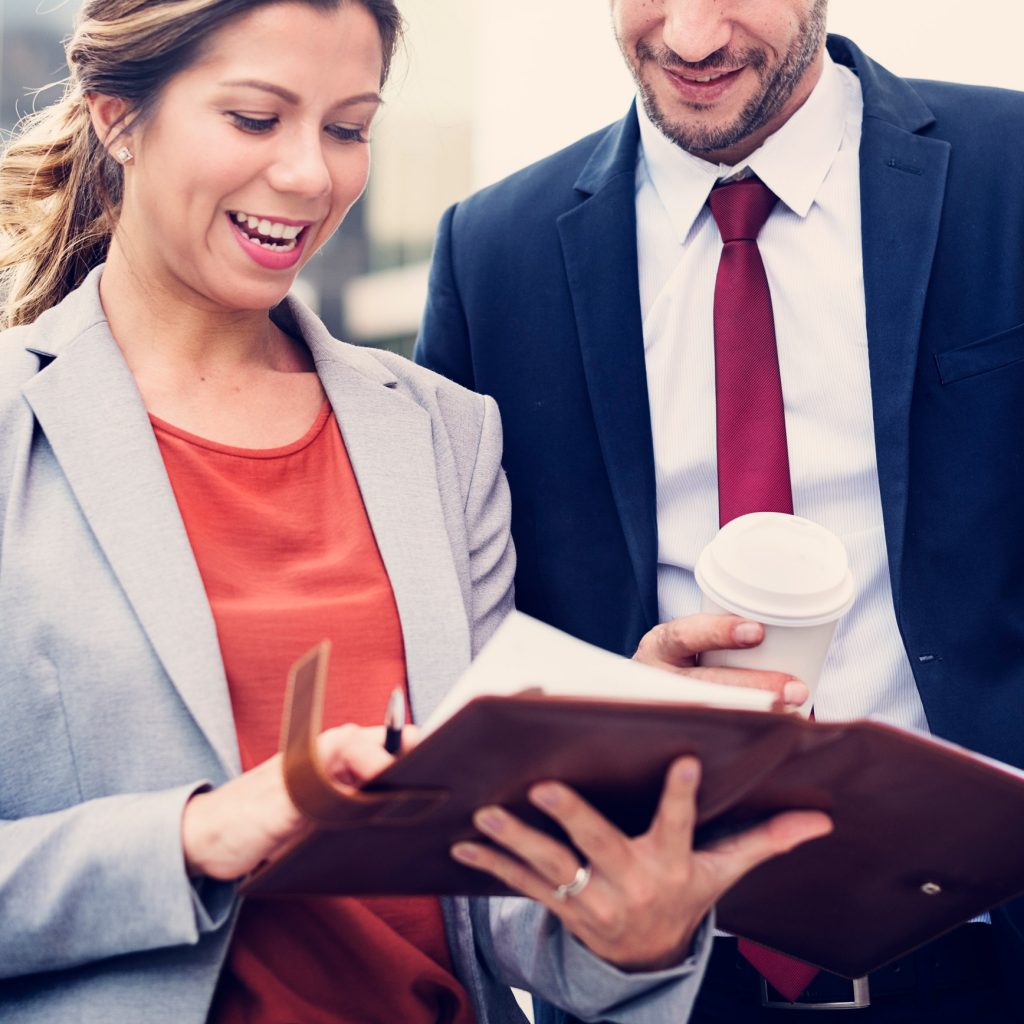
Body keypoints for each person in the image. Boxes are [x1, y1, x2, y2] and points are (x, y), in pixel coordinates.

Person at [0, 1, 833, 1021]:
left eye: (348, 128)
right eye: (256, 119)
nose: (311, 174)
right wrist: (194, 833)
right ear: (116, 118)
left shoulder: (442, 434)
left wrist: (614, 844)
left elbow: (487, 896)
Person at [415, 0, 1024, 1020]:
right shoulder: (492, 254)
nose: (691, 38)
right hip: (657, 980)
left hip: (990, 949)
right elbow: (458, 648)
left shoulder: (1011, 174)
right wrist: (609, 706)